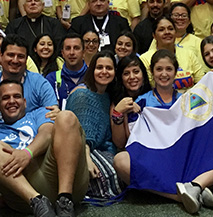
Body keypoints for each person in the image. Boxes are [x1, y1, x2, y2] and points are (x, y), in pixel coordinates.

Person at [114, 49, 213, 214]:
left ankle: (195, 185)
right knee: (121, 160)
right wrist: (120, 115)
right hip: (159, 160)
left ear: (176, 72)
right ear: (152, 72)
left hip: (188, 159)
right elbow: (130, 142)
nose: (164, 74)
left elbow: (208, 116)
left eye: (169, 69)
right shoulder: (141, 102)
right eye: (159, 69)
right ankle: (184, 194)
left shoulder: (188, 99)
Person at [0, 79, 88, 217]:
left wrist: (27, 153)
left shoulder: (38, 113)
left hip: (59, 176)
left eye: (16, 96)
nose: (11, 101)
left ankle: (65, 201)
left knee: (66, 117)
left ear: (24, 102)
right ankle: (37, 201)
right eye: (5, 98)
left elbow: (47, 133)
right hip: (24, 194)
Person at [66, 52, 122, 201]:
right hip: (82, 151)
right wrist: (88, 162)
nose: (104, 72)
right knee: (108, 176)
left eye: (109, 68)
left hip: (103, 148)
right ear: (92, 70)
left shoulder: (108, 95)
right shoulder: (82, 95)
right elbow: (81, 138)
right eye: (99, 67)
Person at [0, 35, 57, 120]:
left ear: (26, 60)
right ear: (1, 56)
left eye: (20, 56)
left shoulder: (40, 83)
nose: (15, 60)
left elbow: (52, 114)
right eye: (10, 55)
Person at [139, 17, 203, 91]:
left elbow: (201, 82)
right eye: (161, 30)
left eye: (170, 29)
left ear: (175, 33)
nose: (167, 32)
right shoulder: (145, 59)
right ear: (154, 36)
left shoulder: (189, 54)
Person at [110, 55, 152, 149]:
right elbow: (120, 144)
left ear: (143, 75)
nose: (132, 77)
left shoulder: (154, 97)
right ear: (121, 79)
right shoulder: (117, 102)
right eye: (126, 73)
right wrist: (120, 112)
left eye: (136, 72)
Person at [45, 32, 87, 109]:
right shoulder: (52, 79)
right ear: (62, 53)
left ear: (83, 52)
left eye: (76, 48)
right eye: (68, 48)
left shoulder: (93, 76)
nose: (72, 53)